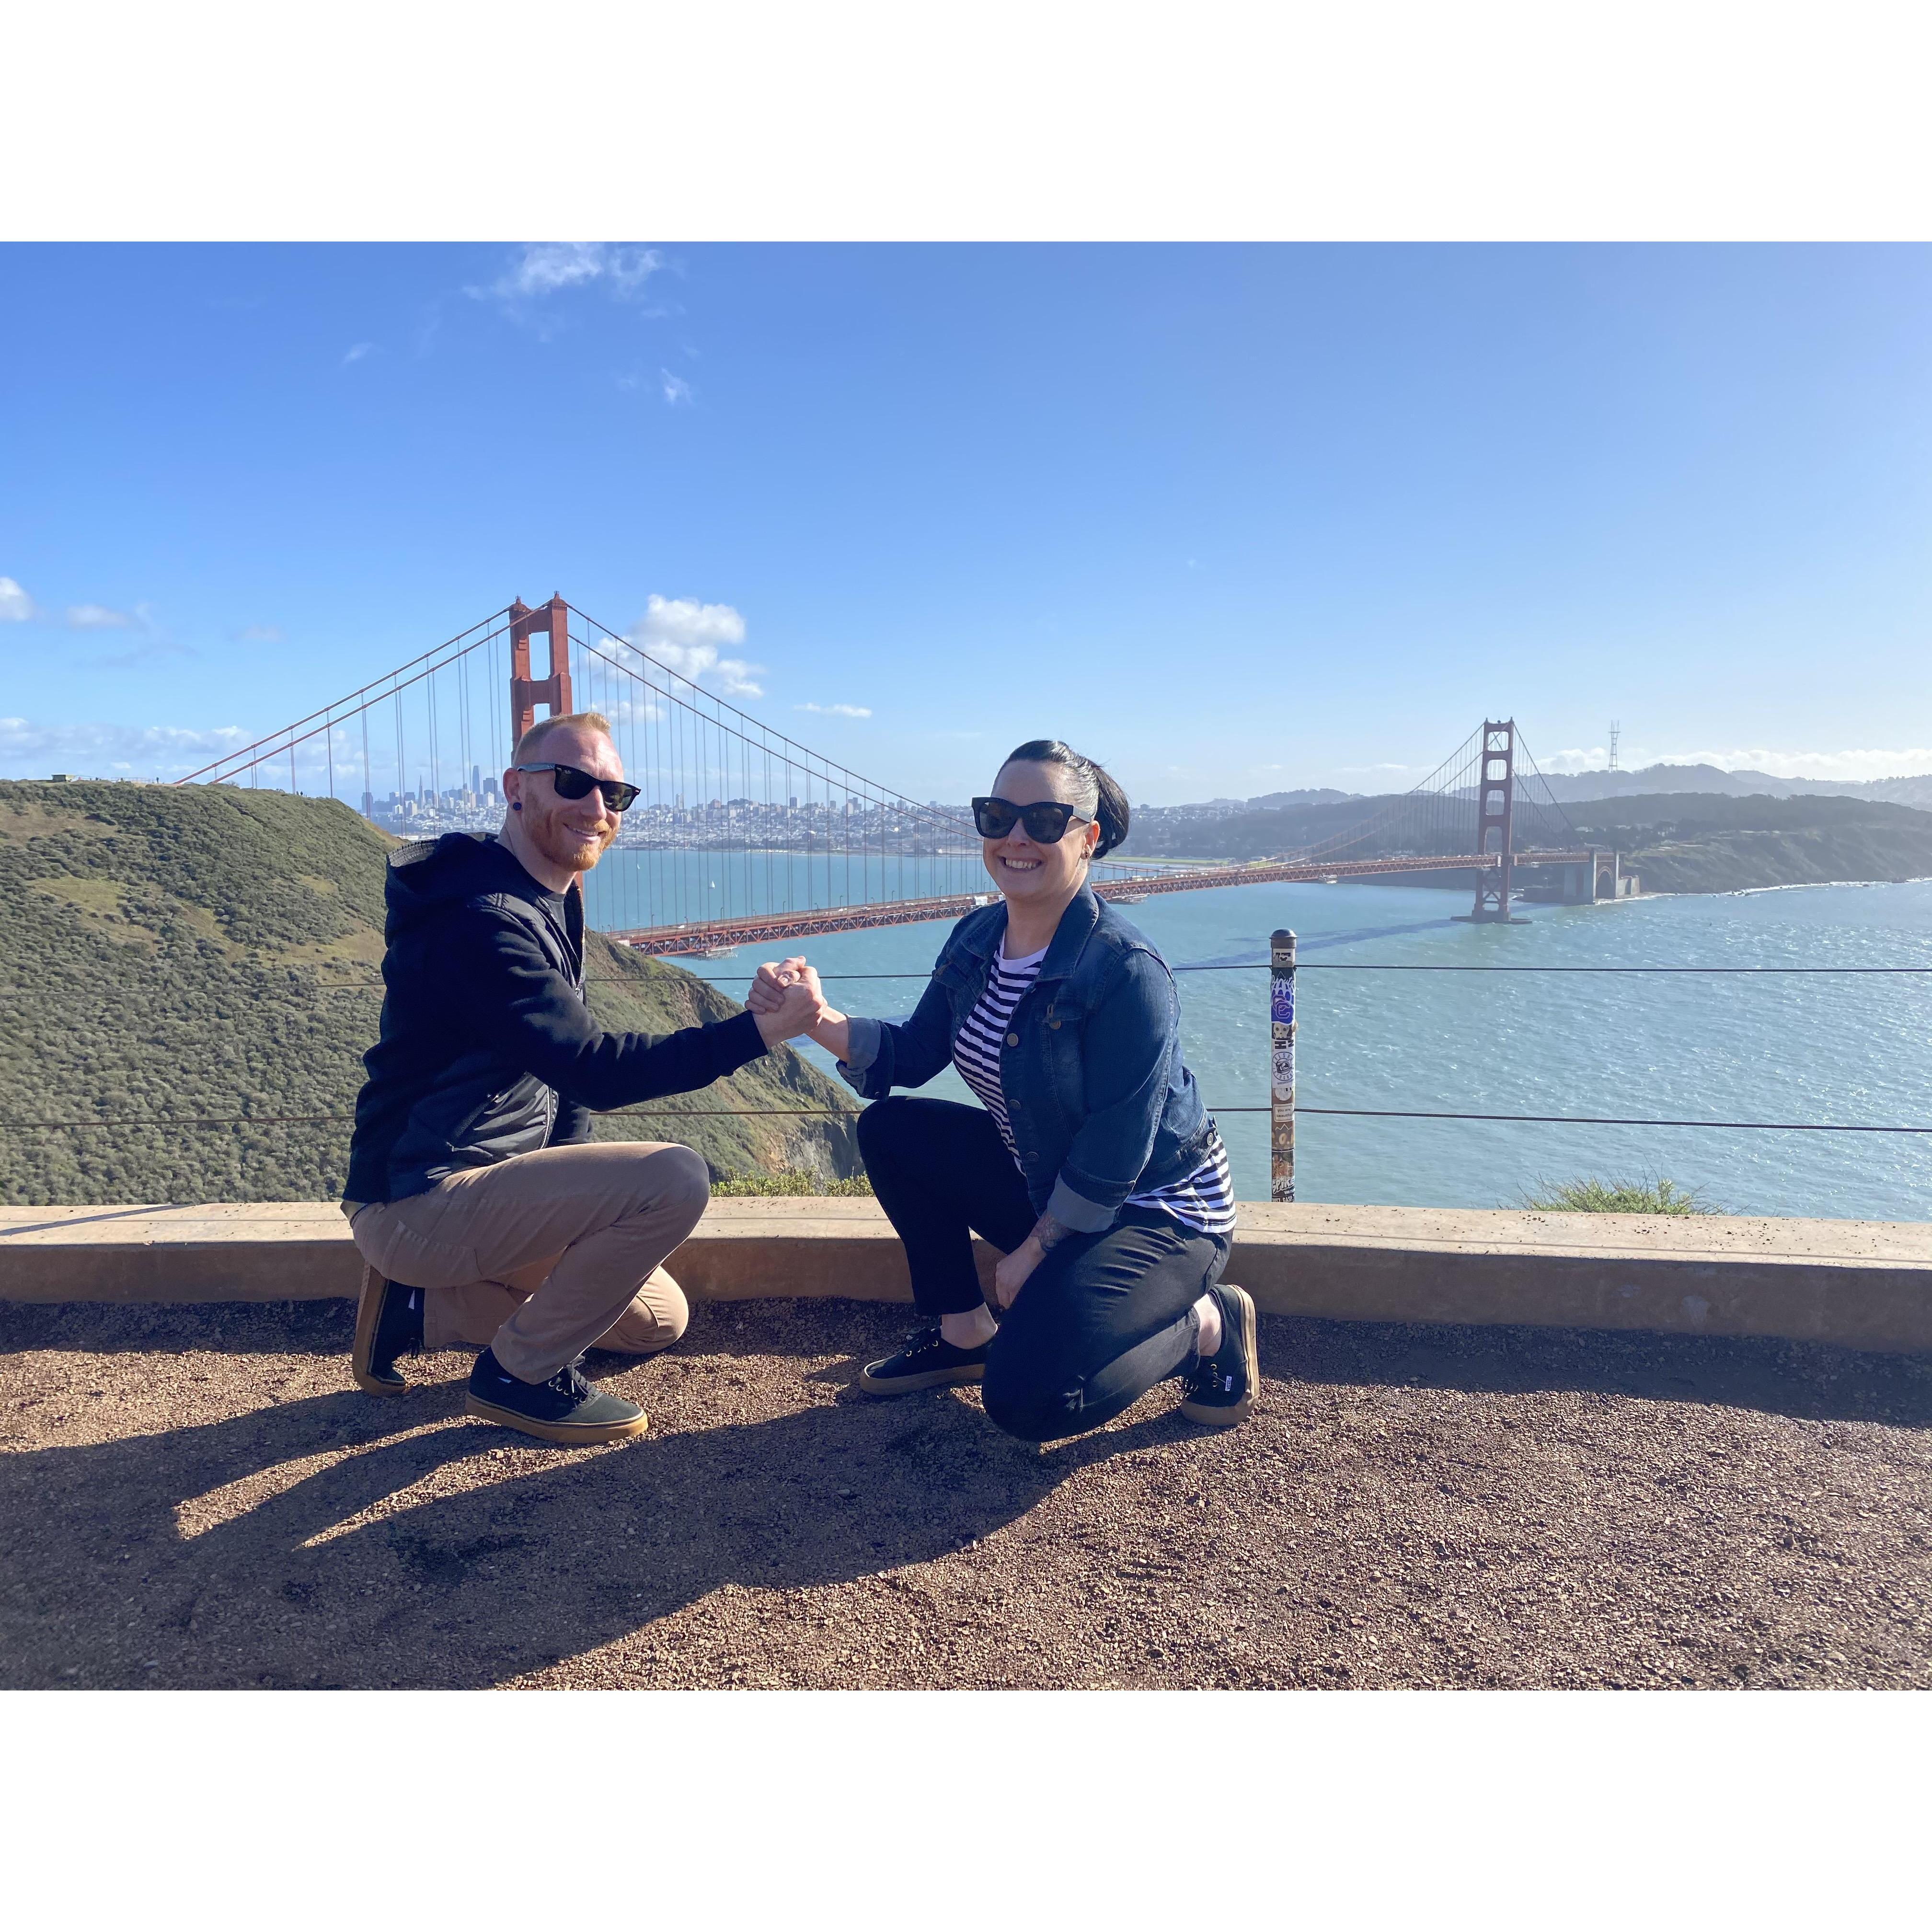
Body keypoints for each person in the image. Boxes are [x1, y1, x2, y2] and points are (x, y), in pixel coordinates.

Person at [748, 738, 1256, 1444]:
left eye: (1045, 820)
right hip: (1050, 1182)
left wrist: (1035, 1251)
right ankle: (965, 1333)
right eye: (997, 815)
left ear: (1089, 838)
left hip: (1158, 1210)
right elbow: (916, 1051)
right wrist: (815, 1018)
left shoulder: (1126, 971)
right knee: (893, 1131)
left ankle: (1207, 1322)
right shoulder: (978, 937)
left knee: (1030, 1402)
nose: (1017, 837)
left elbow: (1116, 1150)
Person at [342, 709, 823, 1446]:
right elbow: (592, 1068)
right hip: (420, 1195)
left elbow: (559, 1079)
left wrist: (575, 1201)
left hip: (492, 1187)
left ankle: (417, 1310)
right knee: (676, 1178)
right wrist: (758, 1032)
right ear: (515, 788)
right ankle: (518, 1376)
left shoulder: (549, 889)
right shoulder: (482, 918)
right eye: (573, 783)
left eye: (615, 794)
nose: (597, 809)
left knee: (657, 1320)